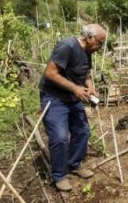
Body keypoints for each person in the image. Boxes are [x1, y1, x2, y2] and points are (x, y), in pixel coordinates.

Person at [39, 24, 106, 191]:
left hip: (72, 97)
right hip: (54, 98)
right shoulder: (67, 46)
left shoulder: (88, 51)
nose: (100, 47)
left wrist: (89, 86)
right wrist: (75, 88)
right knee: (60, 137)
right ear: (89, 38)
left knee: (82, 131)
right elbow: (50, 73)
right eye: (99, 42)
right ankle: (59, 175)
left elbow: (86, 73)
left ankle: (73, 165)